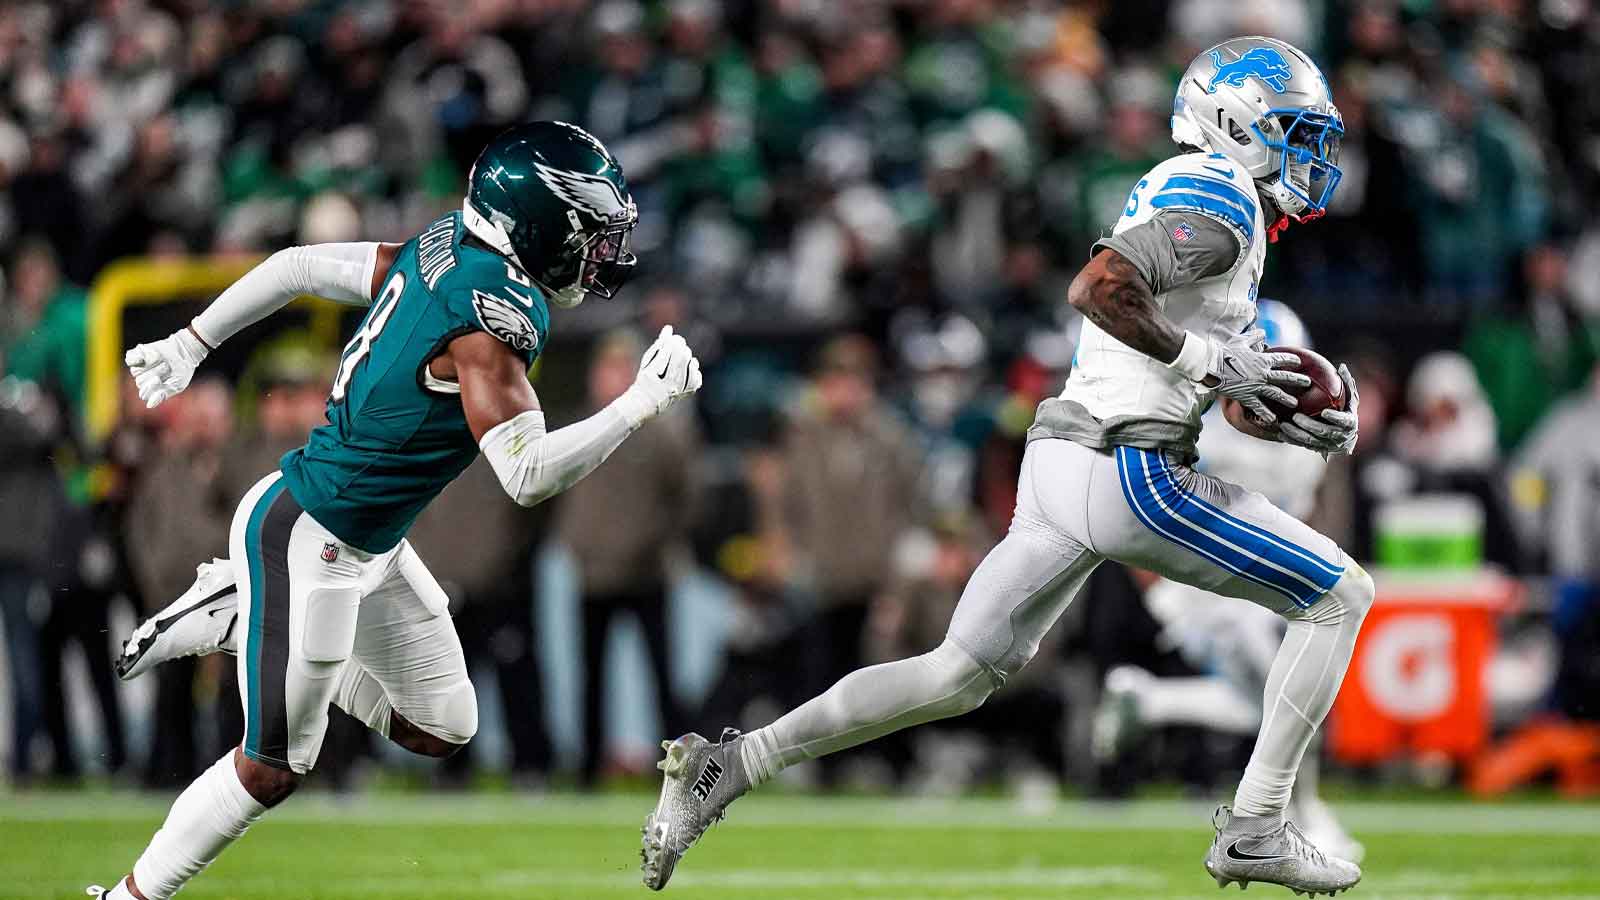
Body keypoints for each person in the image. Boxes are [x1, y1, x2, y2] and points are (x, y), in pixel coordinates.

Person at [642, 37, 1370, 896]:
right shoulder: (1221, 194)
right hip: (1128, 467)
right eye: (1290, 129)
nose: (1308, 153)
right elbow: (1101, 287)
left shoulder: (1210, 197)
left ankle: (731, 764)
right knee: (1338, 594)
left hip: (1068, 460)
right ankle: (1256, 827)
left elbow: (1195, 356)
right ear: (1232, 121)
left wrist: (1277, 405)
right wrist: (1214, 367)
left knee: (955, 675)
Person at [87, 121, 704, 900]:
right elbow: (526, 475)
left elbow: (298, 265)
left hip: (370, 543)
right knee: (273, 768)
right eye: (588, 232)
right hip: (307, 535)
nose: (597, 253)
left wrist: (193, 340)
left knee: (444, 727)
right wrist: (639, 404)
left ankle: (243, 618)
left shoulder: (448, 244)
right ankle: (128, 897)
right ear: (538, 223)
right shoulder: (487, 320)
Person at [1092, 300, 1363, 862]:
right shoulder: (1197, 424)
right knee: (1288, 698)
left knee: (1268, 702)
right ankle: (1302, 818)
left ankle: (1148, 701)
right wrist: (1159, 589)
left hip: (1251, 582)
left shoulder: (1296, 438)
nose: (1284, 383)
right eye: (1274, 368)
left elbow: (1296, 517)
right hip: (1203, 579)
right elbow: (1143, 499)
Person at [555, 330, 701, 786]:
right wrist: (575, 543)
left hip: (647, 573)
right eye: (606, 369)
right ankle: (587, 769)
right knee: (590, 678)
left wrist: (660, 542)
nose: (612, 378)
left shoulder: (661, 435)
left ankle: (677, 769)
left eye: (621, 368)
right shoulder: (580, 427)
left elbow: (688, 497)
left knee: (662, 677)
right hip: (592, 573)